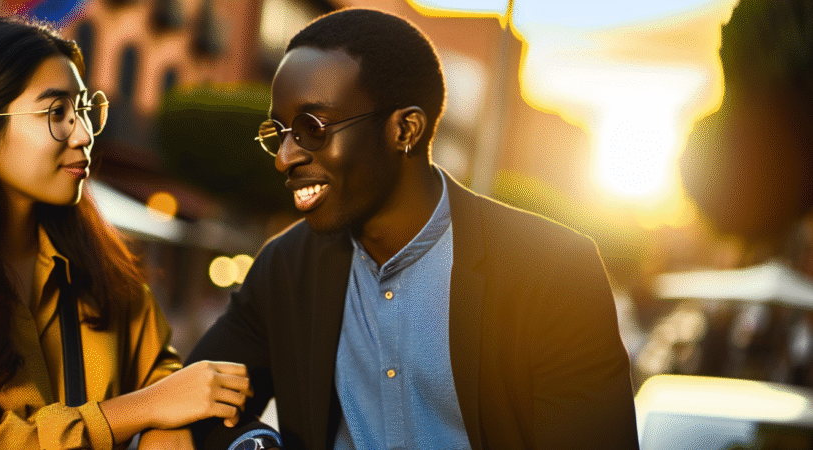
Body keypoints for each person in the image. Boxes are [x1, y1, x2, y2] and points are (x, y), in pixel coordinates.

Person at [186, 8, 638, 450]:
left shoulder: (555, 272)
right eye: (279, 132)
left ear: (405, 129)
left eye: (312, 127)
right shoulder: (286, 267)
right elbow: (192, 398)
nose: (284, 157)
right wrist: (255, 444)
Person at [0, 17, 251, 449]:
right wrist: (144, 409)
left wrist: (163, 424)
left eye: (84, 110)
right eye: (57, 113)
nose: (85, 134)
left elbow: (165, 382)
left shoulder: (104, 269)